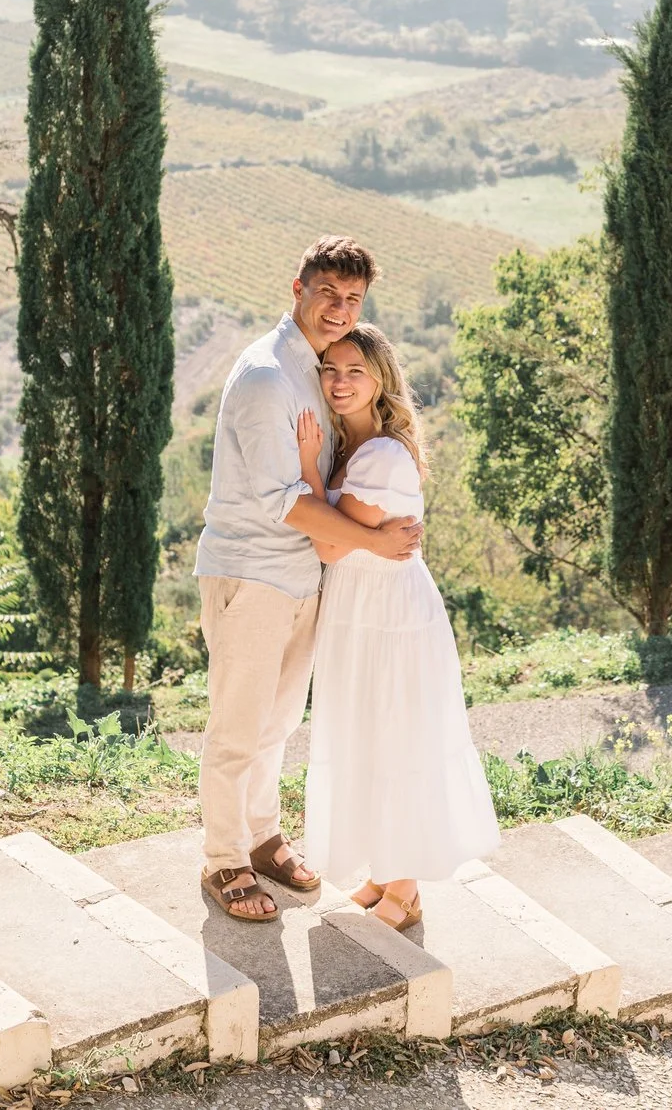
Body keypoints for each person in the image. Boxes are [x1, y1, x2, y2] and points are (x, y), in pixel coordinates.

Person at [195, 237, 423, 924]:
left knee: (276, 724)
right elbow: (283, 499)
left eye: (353, 298)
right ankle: (223, 859)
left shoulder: (319, 371)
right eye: (327, 292)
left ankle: (262, 836)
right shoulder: (267, 376)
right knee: (238, 727)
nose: (339, 308)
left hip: (303, 576)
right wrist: (375, 542)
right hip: (253, 573)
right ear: (297, 288)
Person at [297, 322, 501, 931]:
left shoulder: (382, 455)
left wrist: (307, 469)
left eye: (355, 372)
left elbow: (330, 546)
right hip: (358, 610)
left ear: (380, 379)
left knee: (398, 738)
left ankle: (406, 887)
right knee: (367, 736)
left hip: (391, 615)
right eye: (330, 370)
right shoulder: (351, 449)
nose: (339, 382)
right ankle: (385, 873)